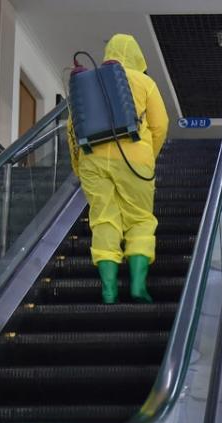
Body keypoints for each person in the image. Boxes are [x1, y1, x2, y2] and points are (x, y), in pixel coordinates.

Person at [67, 34, 168, 303]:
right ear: (138, 56)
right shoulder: (144, 81)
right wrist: (149, 156)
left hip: (92, 159)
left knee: (103, 219)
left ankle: (109, 291)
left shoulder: (89, 83)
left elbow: (72, 128)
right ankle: (137, 286)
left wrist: (79, 166)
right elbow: (160, 125)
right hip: (135, 157)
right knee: (140, 218)